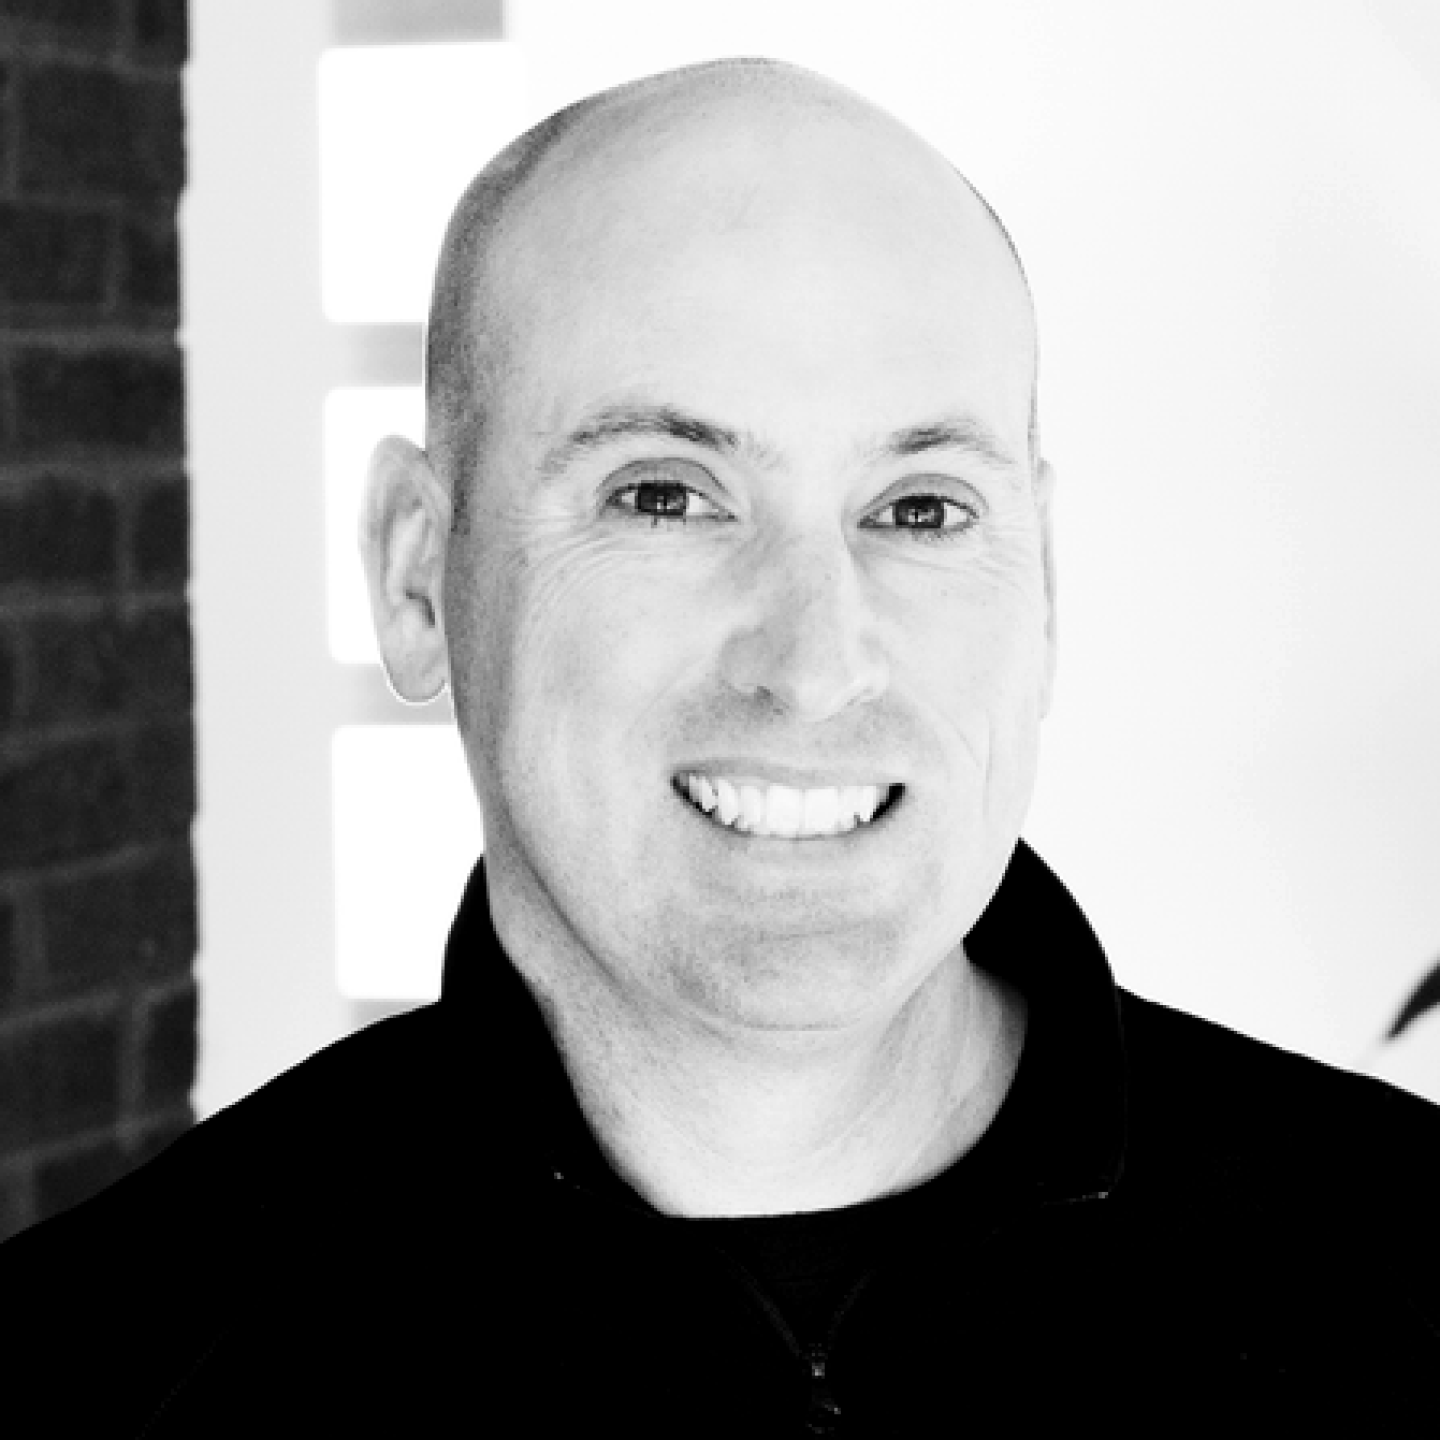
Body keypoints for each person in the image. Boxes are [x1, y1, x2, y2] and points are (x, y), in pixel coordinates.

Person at [4, 58, 1438, 1436]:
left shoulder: (1411, 1275)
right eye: (665, 496)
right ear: (419, 576)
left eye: (922, 508)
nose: (814, 666)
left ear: (1044, 587)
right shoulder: (91, 1371)